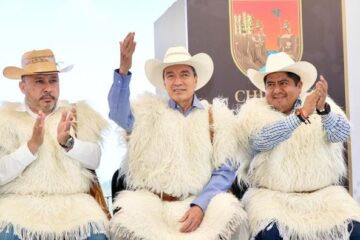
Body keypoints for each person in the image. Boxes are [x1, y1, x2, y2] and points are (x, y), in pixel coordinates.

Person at [108, 32, 248, 240]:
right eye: (170, 76)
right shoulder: (149, 112)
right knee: (124, 218)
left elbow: (225, 171)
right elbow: (118, 114)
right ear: (164, 82)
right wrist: (123, 70)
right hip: (157, 205)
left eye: (184, 74)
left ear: (195, 79)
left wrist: (200, 205)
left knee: (232, 213)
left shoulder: (216, 115)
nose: (178, 82)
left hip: (201, 203)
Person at [235, 52, 360, 239]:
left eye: (283, 83)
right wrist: (301, 115)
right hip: (272, 198)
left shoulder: (320, 105)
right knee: (271, 235)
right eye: (270, 85)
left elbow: (342, 134)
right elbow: (260, 141)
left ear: (299, 86)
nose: (276, 90)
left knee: (355, 231)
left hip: (322, 197)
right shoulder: (253, 112)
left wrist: (323, 111)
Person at [0, 49, 109, 239]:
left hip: (75, 204)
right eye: (39, 81)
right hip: (21, 205)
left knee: (98, 236)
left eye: (53, 80)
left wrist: (68, 142)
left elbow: (95, 160)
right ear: (22, 86)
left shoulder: (77, 113)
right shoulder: (5, 120)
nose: (48, 88)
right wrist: (31, 147)